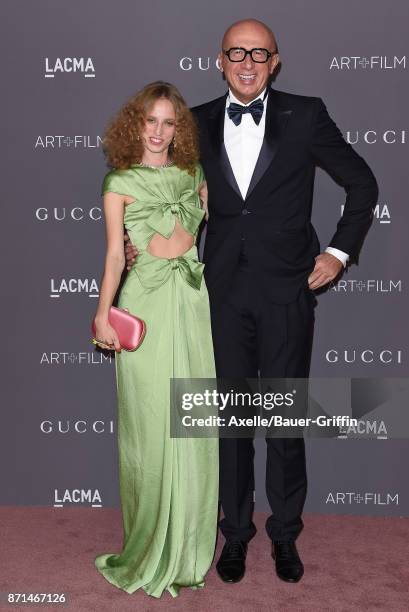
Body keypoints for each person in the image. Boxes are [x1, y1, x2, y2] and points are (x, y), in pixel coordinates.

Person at [124, 20, 378, 584]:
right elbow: (164, 189)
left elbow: (363, 183)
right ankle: (234, 535)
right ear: (219, 60)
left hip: (289, 289)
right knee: (232, 422)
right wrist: (133, 238)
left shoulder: (306, 114)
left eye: (258, 54)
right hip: (219, 294)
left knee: (284, 422)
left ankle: (285, 536)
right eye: (236, 52)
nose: (247, 61)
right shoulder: (196, 122)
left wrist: (338, 254)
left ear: (275, 62)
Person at [92, 81, 218, 598]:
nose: (160, 132)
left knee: (190, 427)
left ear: (179, 129)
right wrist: (103, 313)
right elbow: (117, 256)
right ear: (135, 124)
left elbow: (180, 242)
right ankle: (145, 548)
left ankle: (188, 550)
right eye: (151, 121)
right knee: (148, 429)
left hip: (188, 304)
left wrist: (176, 223)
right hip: (143, 302)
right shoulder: (118, 181)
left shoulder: (195, 175)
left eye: (170, 123)